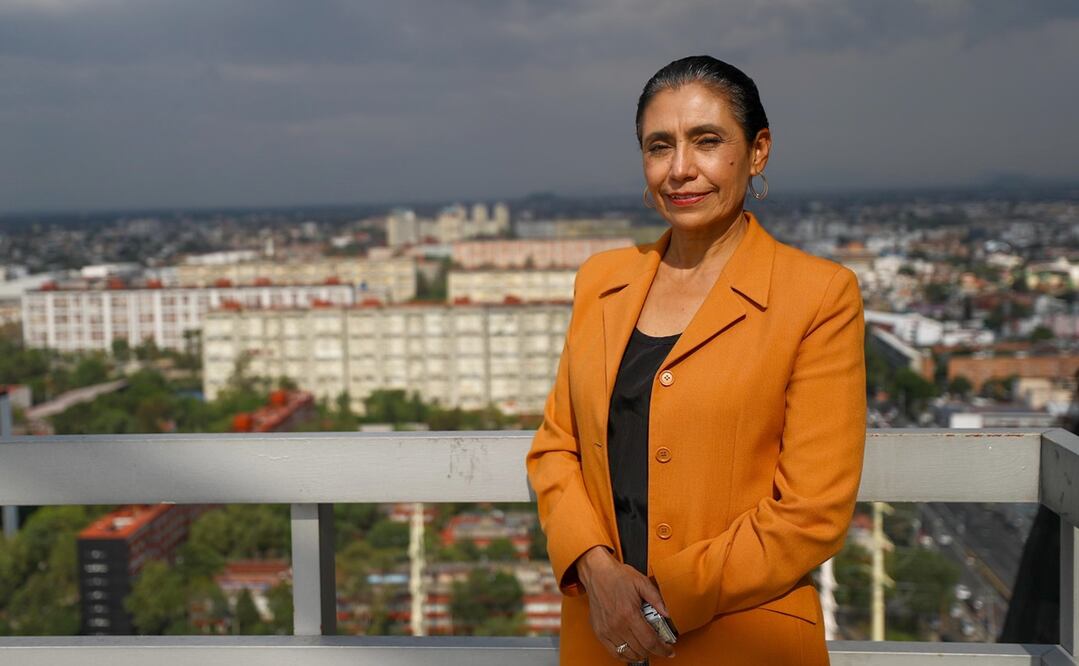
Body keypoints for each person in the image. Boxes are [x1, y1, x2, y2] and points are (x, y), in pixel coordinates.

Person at [526, 55, 867, 665]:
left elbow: (813, 511)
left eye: (706, 142)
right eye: (660, 147)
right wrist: (598, 574)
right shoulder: (601, 282)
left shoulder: (817, 295)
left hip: (744, 641)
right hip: (602, 638)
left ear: (758, 151)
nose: (680, 169)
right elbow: (556, 449)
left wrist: (659, 602)